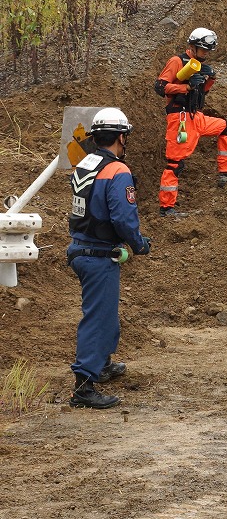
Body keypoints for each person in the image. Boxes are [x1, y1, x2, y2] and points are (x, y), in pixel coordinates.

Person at [66, 108, 151, 410]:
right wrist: (138, 244)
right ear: (121, 137)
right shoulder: (118, 171)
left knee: (105, 315)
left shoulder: (84, 163)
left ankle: (101, 365)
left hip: (80, 248)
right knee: (99, 319)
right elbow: (124, 218)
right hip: (98, 254)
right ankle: (84, 387)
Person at [154, 28, 227, 217]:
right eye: (204, 50)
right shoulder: (177, 61)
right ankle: (166, 209)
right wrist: (186, 86)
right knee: (175, 164)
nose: (206, 54)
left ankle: (226, 174)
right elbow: (160, 87)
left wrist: (211, 79)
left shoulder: (198, 65)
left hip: (196, 116)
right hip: (180, 119)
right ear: (193, 47)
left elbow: (202, 93)